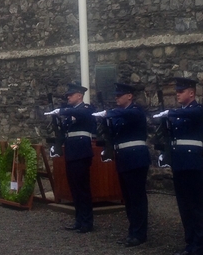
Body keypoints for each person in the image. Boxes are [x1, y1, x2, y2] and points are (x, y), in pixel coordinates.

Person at [153, 78, 203, 255]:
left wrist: (169, 114)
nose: (177, 94)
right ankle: (190, 243)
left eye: (181, 91)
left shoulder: (198, 110)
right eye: (177, 91)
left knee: (196, 206)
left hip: (193, 163)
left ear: (191, 93)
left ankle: (199, 247)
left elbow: (190, 116)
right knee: (184, 207)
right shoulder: (178, 114)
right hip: (179, 163)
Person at [94, 83, 150, 247]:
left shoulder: (136, 111)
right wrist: (106, 125)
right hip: (124, 158)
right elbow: (112, 134)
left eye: (120, 95)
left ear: (129, 96)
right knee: (128, 198)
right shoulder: (118, 116)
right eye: (116, 95)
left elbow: (125, 115)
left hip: (136, 158)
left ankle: (140, 233)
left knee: (137, 198)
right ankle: (133, 231)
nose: (116, 98)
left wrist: (107, 113)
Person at [46, 83, 96, 233]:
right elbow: (63, 132)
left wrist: (62, 111)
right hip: (71, 153)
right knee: (74, 189)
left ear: (79, 95)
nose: (68, 96)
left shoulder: (86, 109)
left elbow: (83, 116)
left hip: (81, 153)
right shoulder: (71, 114)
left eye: (71, 94)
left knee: (83, 188)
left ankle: (87, 221)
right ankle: (79, 219)